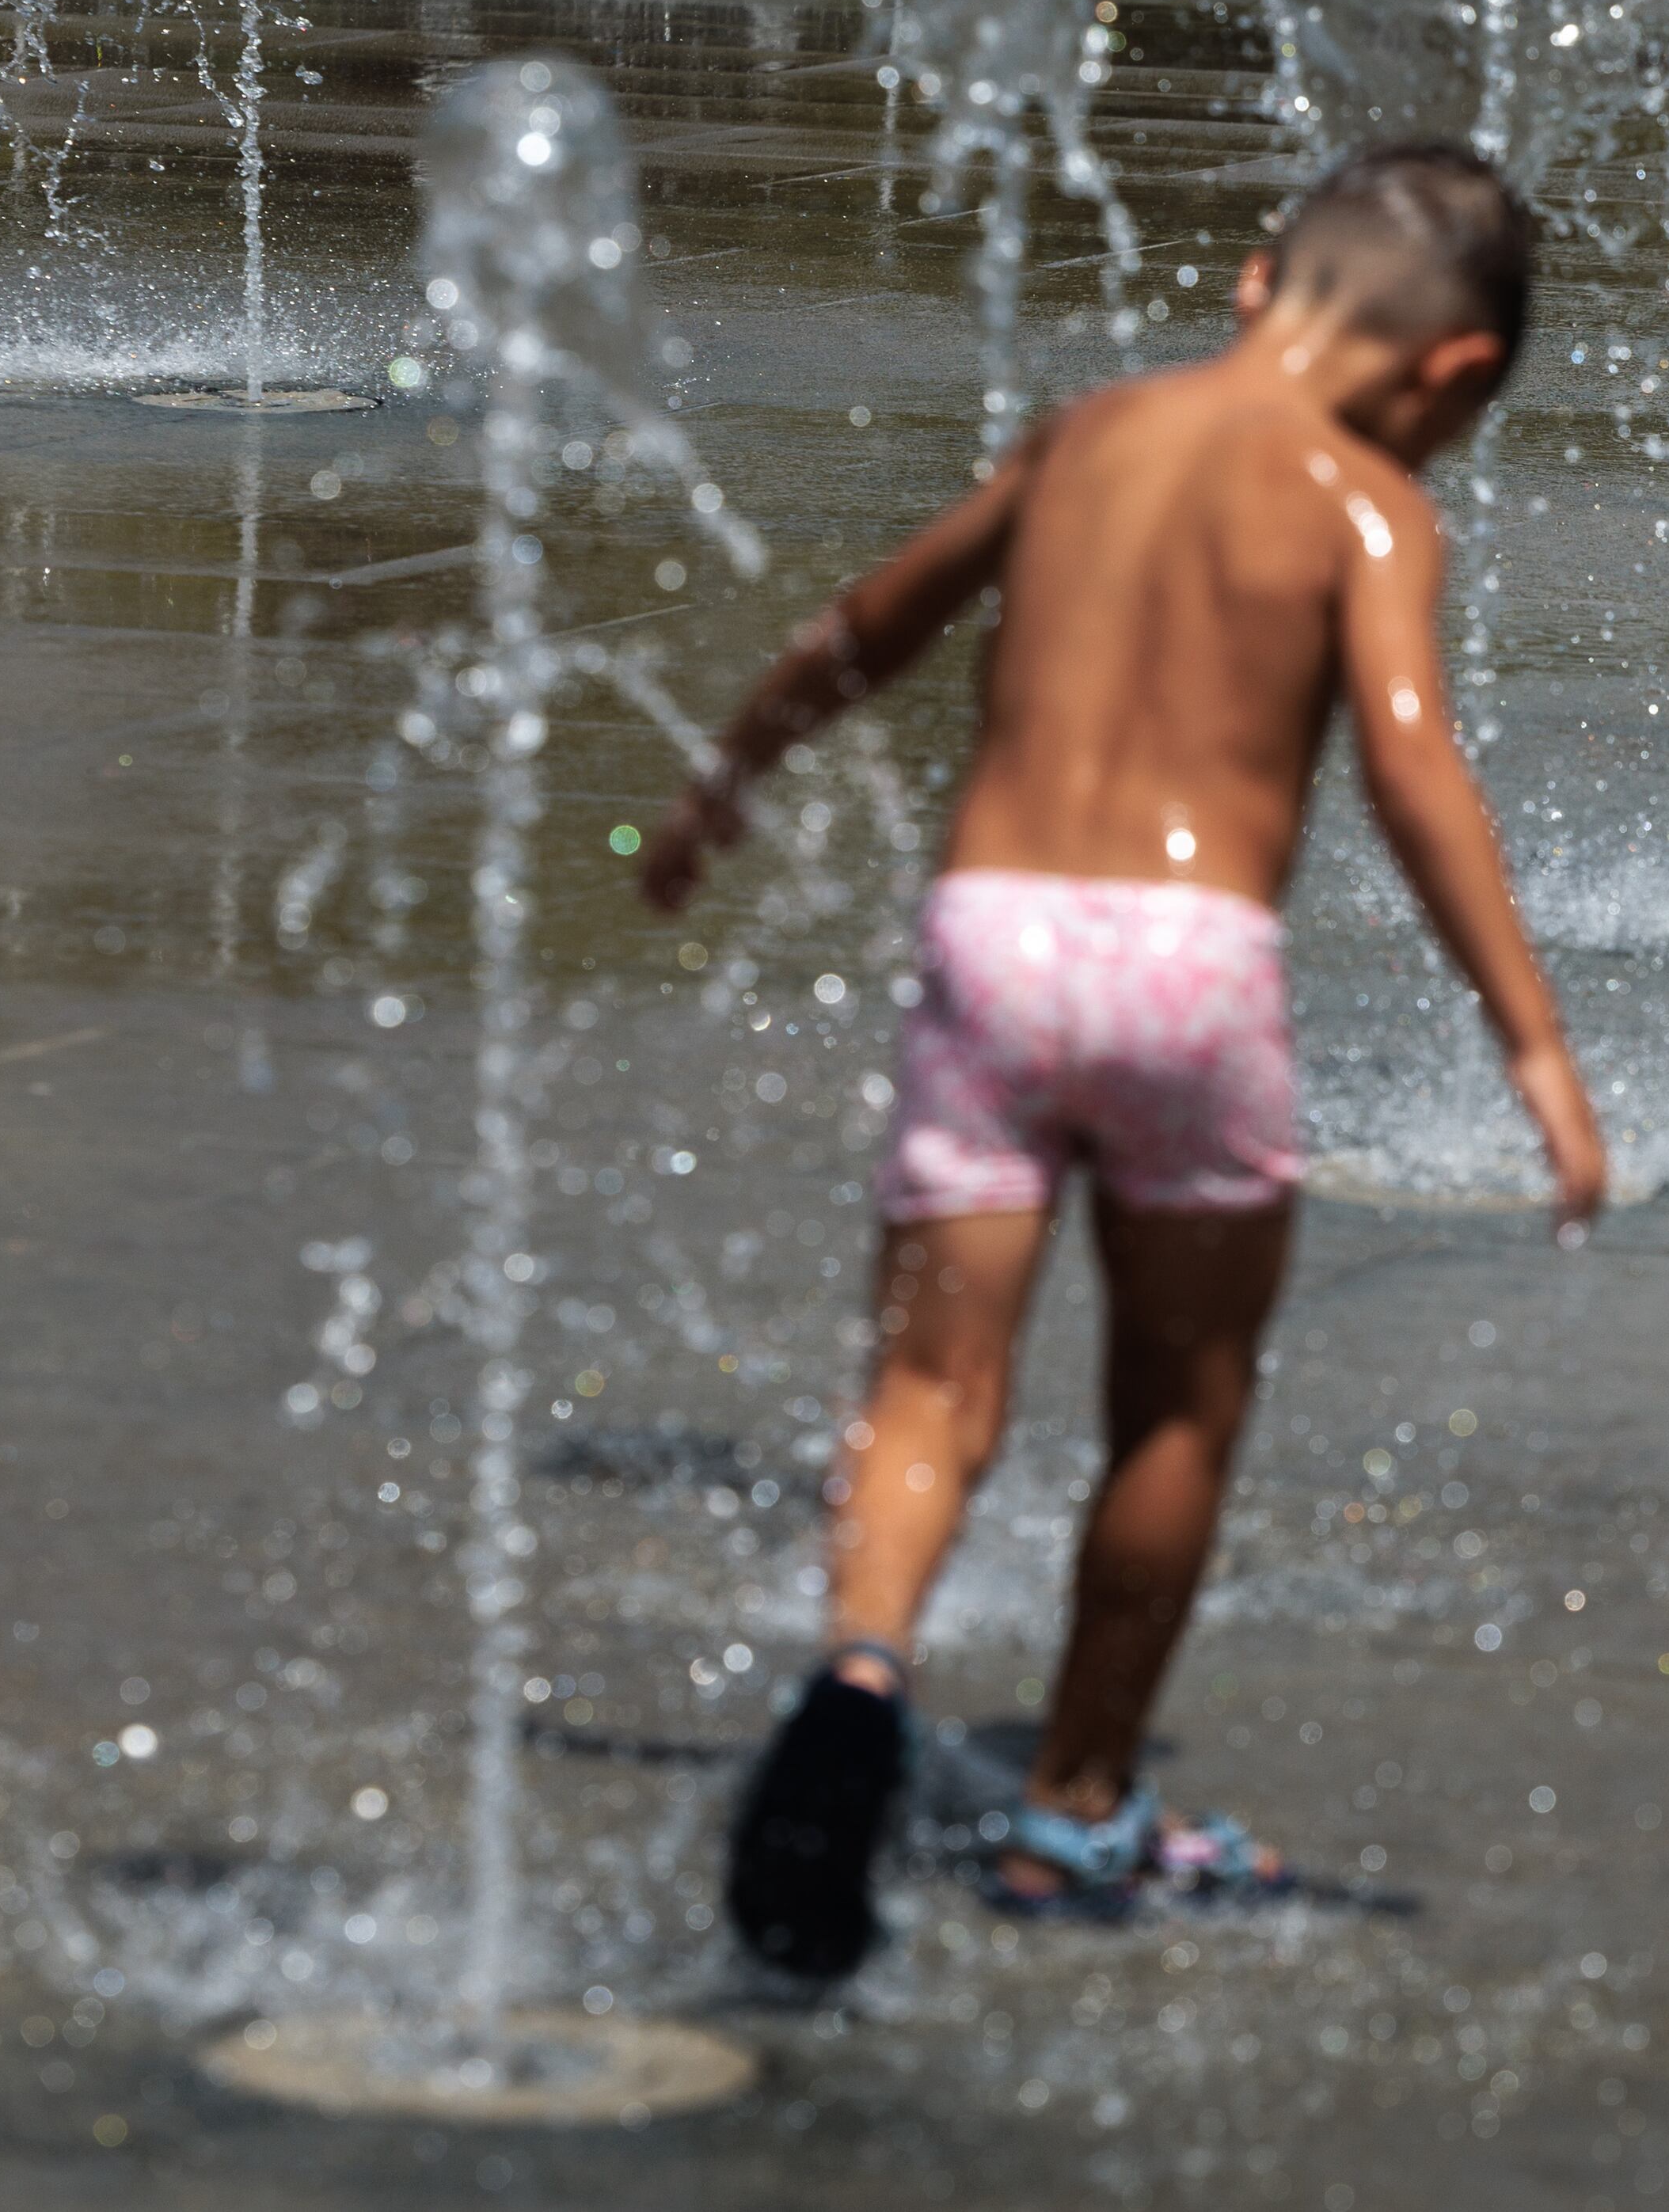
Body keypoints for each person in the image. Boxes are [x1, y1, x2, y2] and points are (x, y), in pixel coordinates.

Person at [643, 142, 1608, 1979]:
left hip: (992, 942)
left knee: (929, 1392)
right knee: (1177, 1404)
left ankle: (856, 1678)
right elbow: (1411, 771)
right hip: (1190, 975)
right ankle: (1077, 1815)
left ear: (1253, 285)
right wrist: (1535, 1048)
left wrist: (716, 790)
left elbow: (861, 628)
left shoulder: (1084, 437)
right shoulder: (1367, 508)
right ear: (1456, 377)